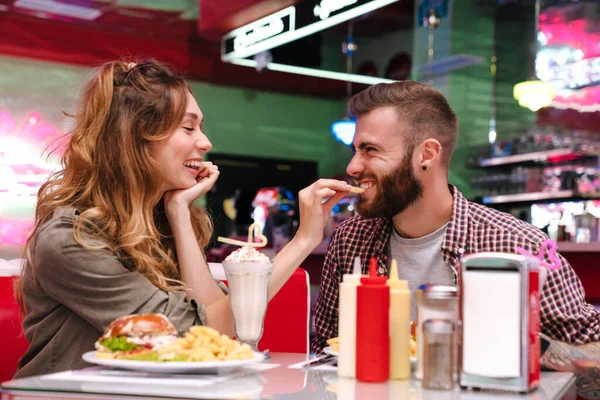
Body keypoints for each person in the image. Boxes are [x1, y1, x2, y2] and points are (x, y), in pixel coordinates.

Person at [14, 59, 353, 378]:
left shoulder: (162, 223)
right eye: (188, 128)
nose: (205, 142)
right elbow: (202, 334)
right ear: (134, 139)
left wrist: (178, 213)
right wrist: (303, 242)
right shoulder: (71, 239)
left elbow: (217, 332)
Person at [311, 81, 600, 353]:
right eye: (355, 150)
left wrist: (521, 349)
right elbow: (324, 351)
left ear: (427, 154)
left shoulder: (517, 244)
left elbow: (590, 352)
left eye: (370, 150)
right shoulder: (350, 241)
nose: (352, 167)